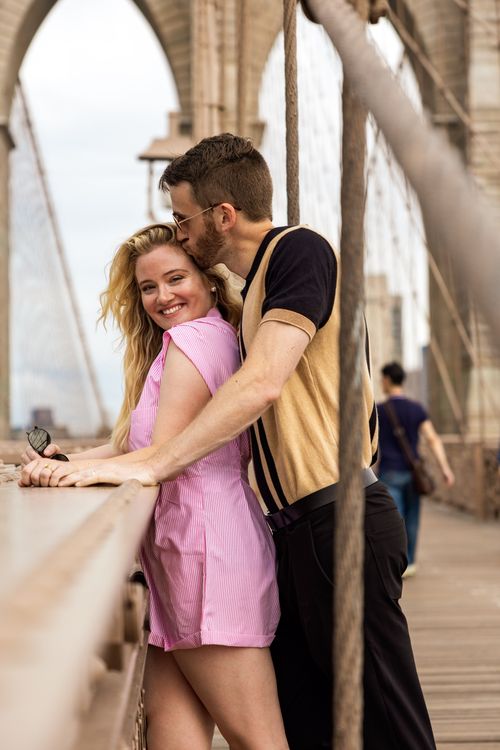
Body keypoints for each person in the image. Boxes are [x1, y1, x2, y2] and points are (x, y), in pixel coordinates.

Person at [22, 134, 435, 750]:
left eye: (183, 221)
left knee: (385, 723)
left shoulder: (299, 252)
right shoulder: (242, 311)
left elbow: (263, 382)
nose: (179, 233)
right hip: (292, 532)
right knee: (312, 724)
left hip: (338, 518)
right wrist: (85, 463)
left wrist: (150, 465)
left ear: (222, 216)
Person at [21, 223, 288, 750]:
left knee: (258, 741)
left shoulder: (194, 340)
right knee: (173, 739)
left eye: (175, 278)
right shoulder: (195, 342)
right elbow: (135, 446)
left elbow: (161, 455)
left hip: (204, 553)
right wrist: (68, 463)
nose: (163, 296)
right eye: (148, 287)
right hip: (181, 553)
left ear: (210, 282)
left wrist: (84, 473)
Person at [377, 361, 455, 577]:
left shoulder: (379, 411)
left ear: (386, 380)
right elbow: (433, 439)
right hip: (414, 474)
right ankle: (410, 562)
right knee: (412, 519)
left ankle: (397, 563)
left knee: (395, 520)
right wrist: (445, 469)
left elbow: (368, 445)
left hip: (390, 472)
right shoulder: (416, 409)